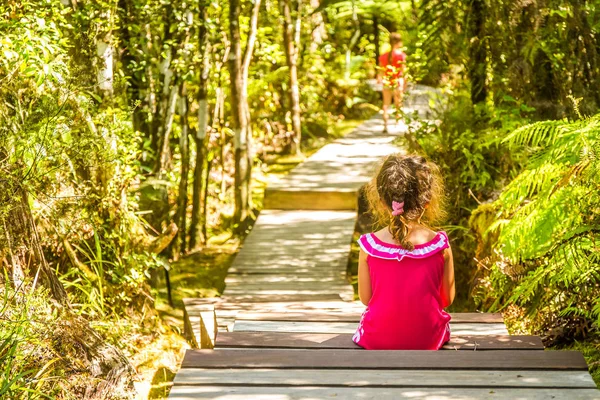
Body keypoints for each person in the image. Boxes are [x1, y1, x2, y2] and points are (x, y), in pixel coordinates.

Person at [352, 154, 455, 350]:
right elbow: (446, 300)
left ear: (383, 202)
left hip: (377, 339)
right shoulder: (440, 246)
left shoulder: (369, 247)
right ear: (427, 201)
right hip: (429, 339)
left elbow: (366, 299)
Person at [377, 33, 407, 133]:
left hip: (387, 82)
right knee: (398, 104)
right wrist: (405, 84)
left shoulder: (383, 56)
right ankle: (398, 124)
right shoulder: (401, 56)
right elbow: (404, 72)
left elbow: (380, 72)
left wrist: (380, 79)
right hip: (398, 82)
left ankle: (385, 125)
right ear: (397, 42)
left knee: (386, 105)